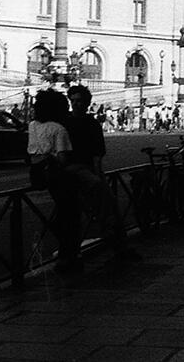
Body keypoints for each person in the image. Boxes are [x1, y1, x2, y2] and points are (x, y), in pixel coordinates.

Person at [65, 85, 138, 260]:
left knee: (103, 209)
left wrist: (98, 175)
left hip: (84, 171)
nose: (75, 104)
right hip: (79, 173)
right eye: (73, 101)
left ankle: (115, 245)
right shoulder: (70, 122)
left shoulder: (88, 124)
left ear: (87, 103)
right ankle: (119, 246)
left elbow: (97, 155)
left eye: (79, 101)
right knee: (107, 209)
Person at [26, 88, 80, 272]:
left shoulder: (32, 125)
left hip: (37, 174)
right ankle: (68, 255)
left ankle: (66, 251)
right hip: (57, 176)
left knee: (63, 213)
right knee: (70, 213)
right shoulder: (59, 129)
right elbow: (63, 159)